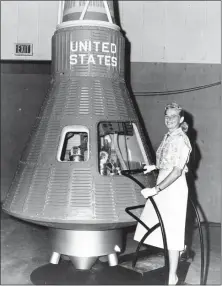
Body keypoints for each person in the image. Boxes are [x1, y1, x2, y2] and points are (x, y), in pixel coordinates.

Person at [134, 102, 192, 285]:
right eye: (167, 116)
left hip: (173, 188)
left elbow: (176, 171)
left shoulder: (182, 139)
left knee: (172, 234)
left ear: (181, 119)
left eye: (173, 116)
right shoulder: (168, 136)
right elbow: (167, 161)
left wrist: (156, 189)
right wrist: (155, 166)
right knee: (159, 227)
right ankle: (180, 250)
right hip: (163, 182)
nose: (169, 120)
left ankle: (172, 276)